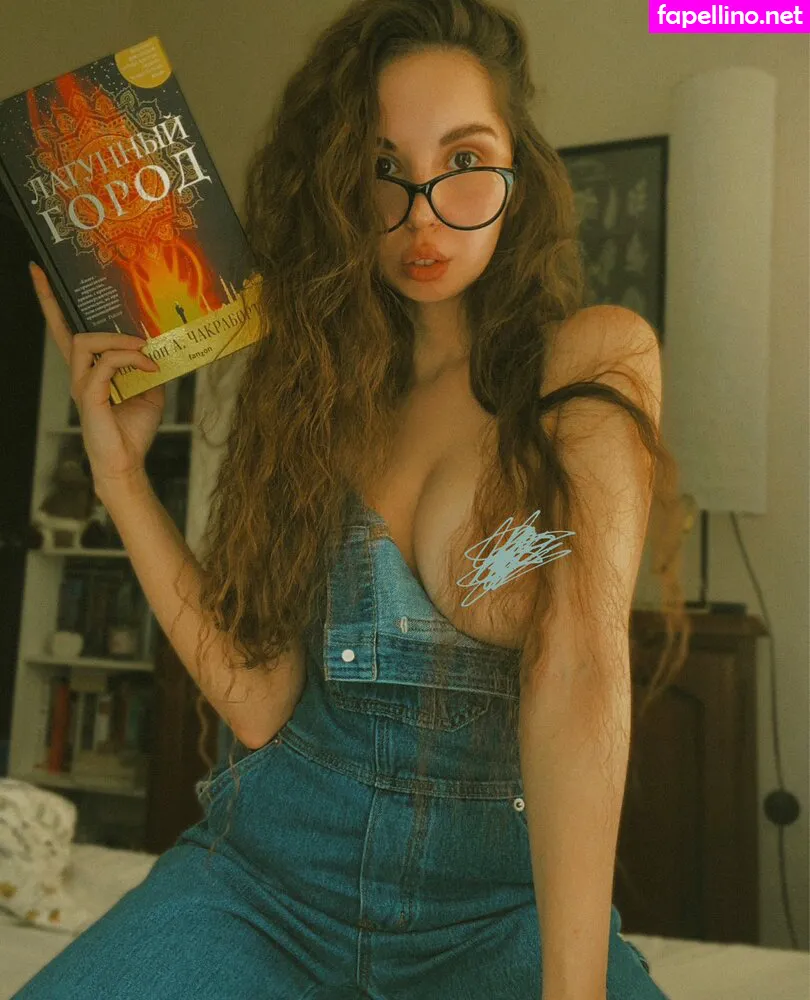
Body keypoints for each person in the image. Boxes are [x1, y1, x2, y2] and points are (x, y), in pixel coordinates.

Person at [18, 0, 690, 997]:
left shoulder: (589, 360)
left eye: (464, 158)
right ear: (337, 185)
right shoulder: (314, 395)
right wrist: (120, 475)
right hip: (269, 882)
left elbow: (582, 669)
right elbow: (260, 705)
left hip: (494, 912)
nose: (422, 212)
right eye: (383, 166)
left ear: (519, 175)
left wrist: (572, 987)